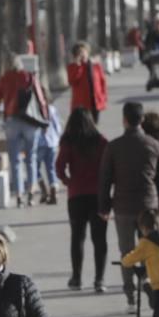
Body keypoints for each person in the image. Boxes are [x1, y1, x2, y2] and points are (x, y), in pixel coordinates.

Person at [98, 101, 159, 309]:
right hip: (149, 207)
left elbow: (105, 179)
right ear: (142, 120)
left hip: (122, 207)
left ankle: (130, 296)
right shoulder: (155, 146)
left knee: (127, 252)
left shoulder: (113, 147)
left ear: (124, 119)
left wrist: (104, 207)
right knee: (151, 249)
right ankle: (148, 281)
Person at [55, 107, 111, 292]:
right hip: (98, 195)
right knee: (99, 238)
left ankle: (77, 278)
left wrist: (68, 181)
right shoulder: (101, 141)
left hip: (76, 196)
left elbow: (59, 166)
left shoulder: (68, 141)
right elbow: (109, 166)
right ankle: (99, 280)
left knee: (77, 238)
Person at [0, 55, 50, 208]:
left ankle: (19, 196)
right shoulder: (29, 76)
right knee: (31, 158)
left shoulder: (4, 79)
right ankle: (31, 194)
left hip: (12, 121)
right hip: (30, 121)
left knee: (15, 161)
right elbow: (41, 100)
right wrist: (45, 120)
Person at [67, 41, 109, 124]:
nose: (82, 54)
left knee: (94, 124)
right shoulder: (73, 67)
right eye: (80, 52)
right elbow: (72, 81)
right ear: (75, 55)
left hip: (95, 102)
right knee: (82, 126)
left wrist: (104, 97)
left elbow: (102, 82)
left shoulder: (96, 66)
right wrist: (78, 66)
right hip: (81, 104)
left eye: (84, 51)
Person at [35, 102, 63, 206]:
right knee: (51, 168)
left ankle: (44, 189)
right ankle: (53, 189)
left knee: (35, 169)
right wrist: (58, 139)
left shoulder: (34, 108)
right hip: (52, 142)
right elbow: (57, 126)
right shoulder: (51, 109)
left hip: (38, 143)